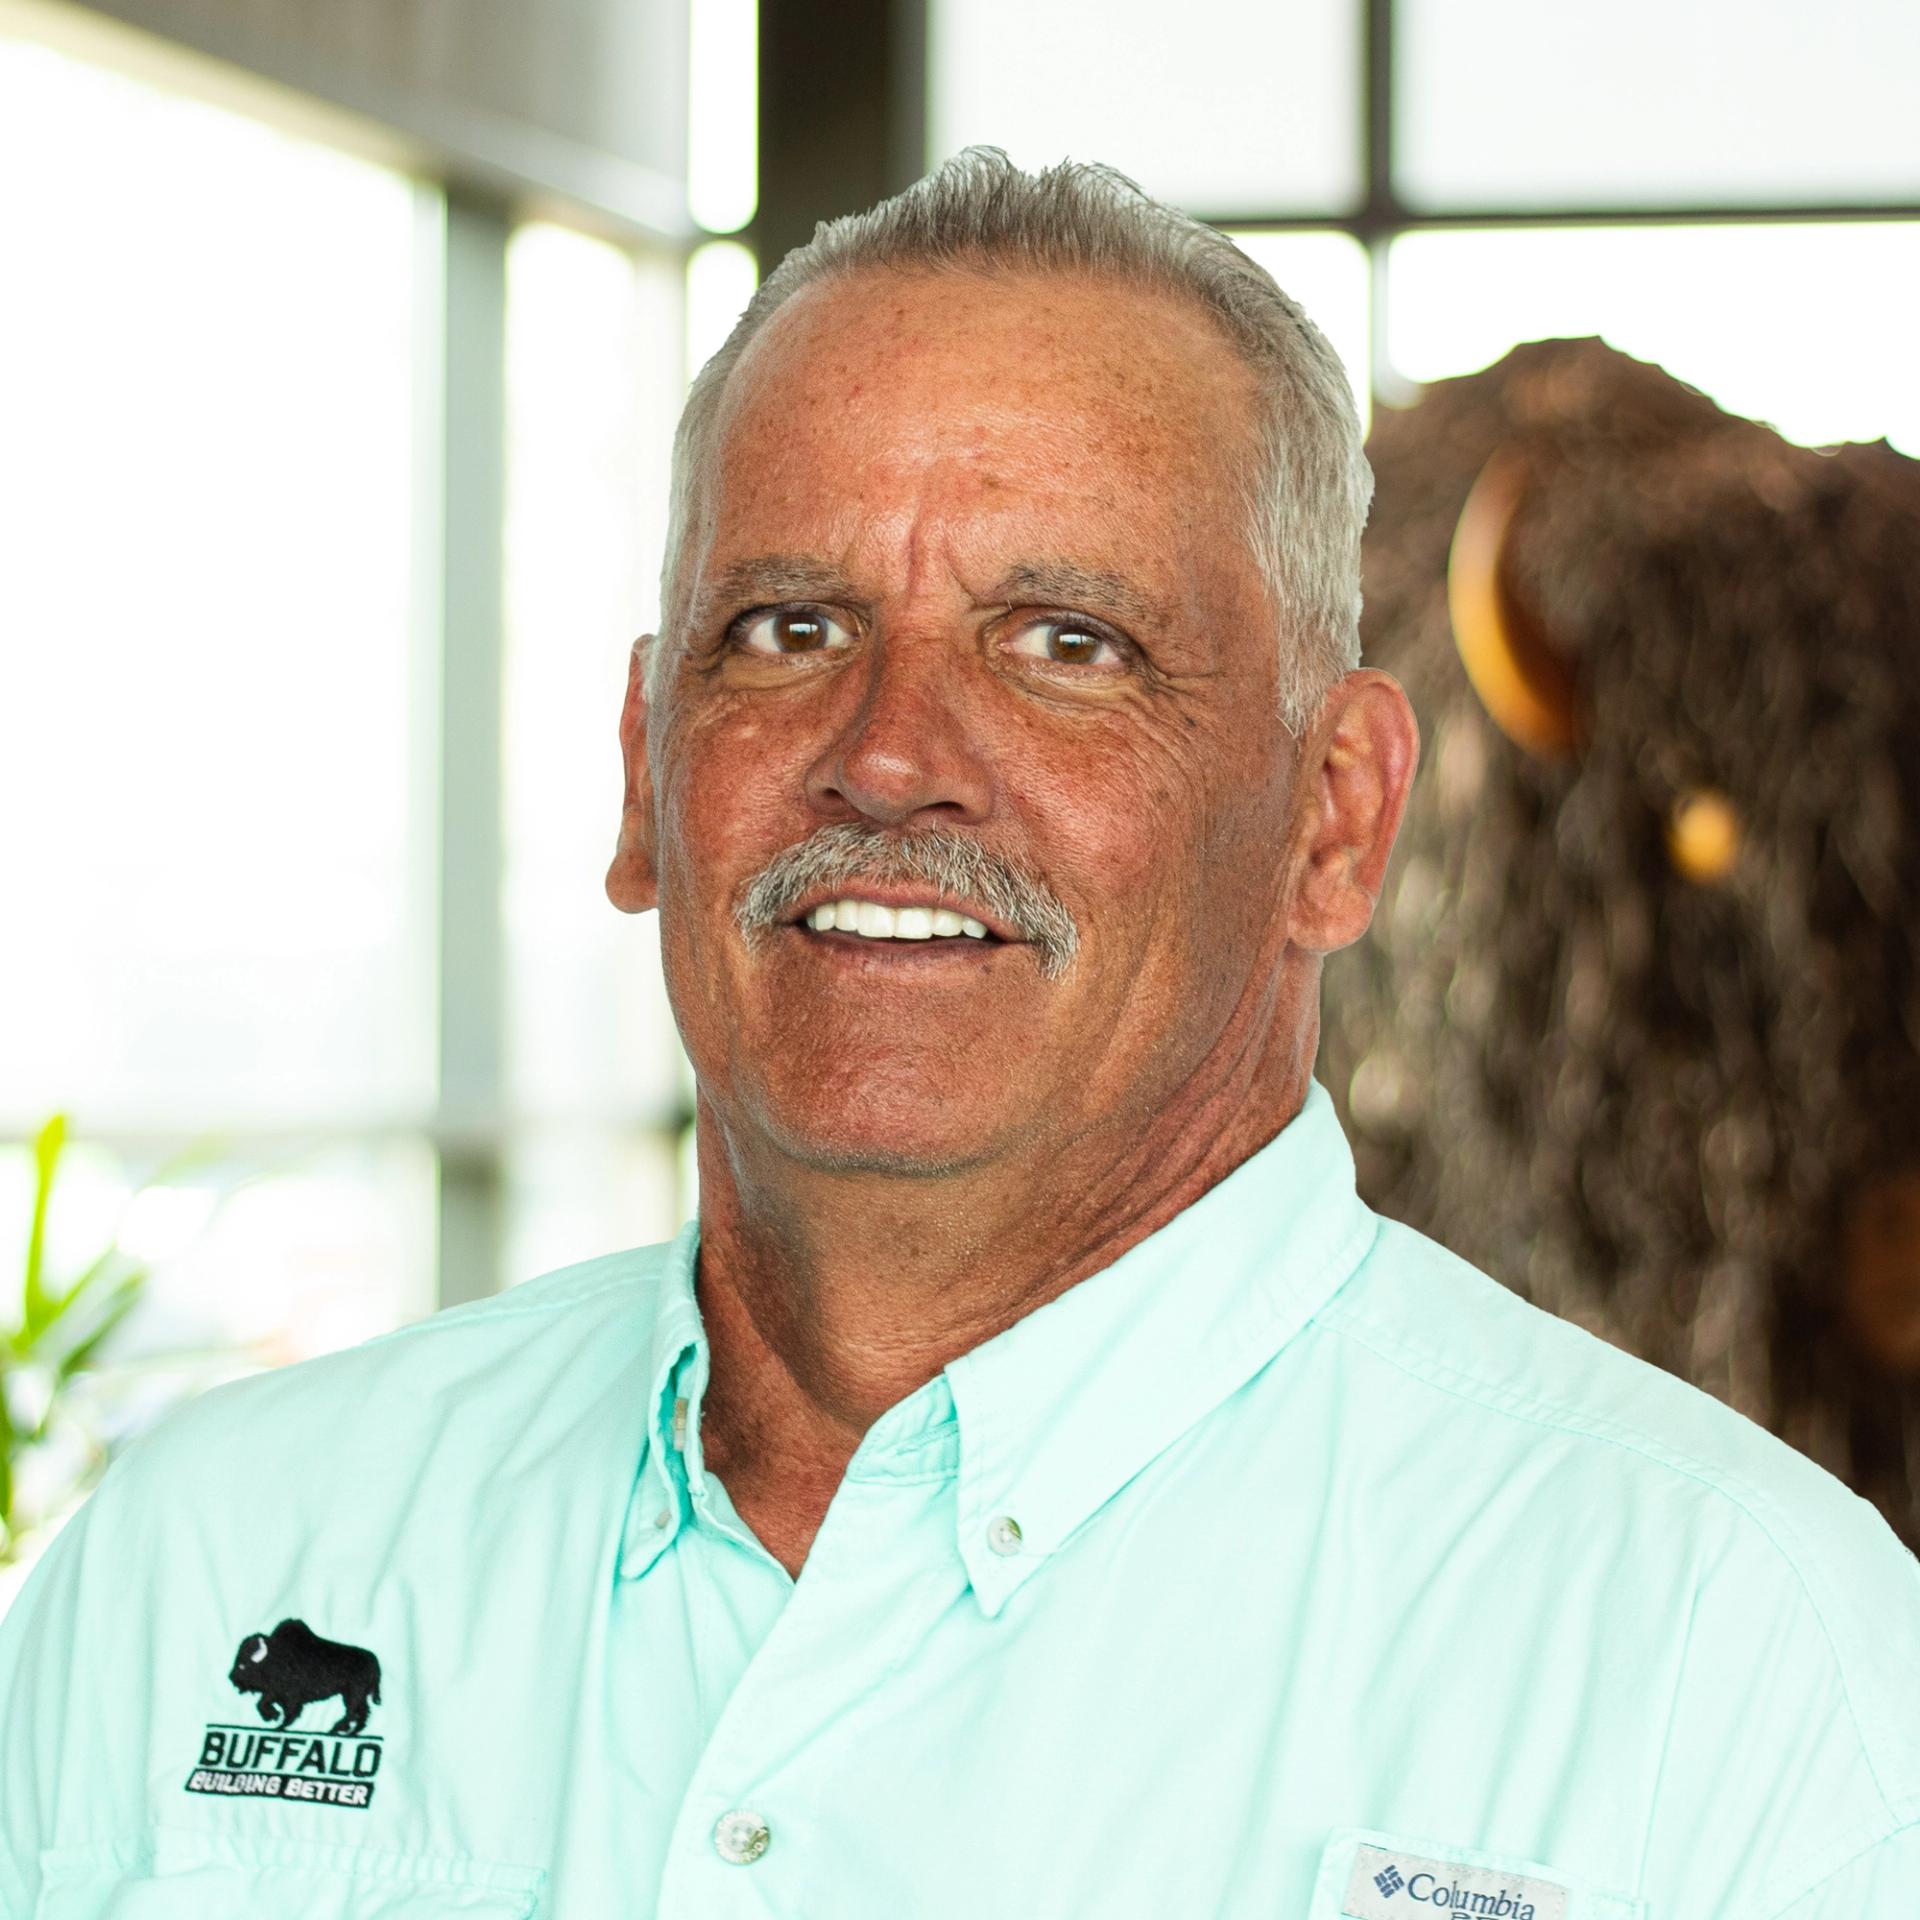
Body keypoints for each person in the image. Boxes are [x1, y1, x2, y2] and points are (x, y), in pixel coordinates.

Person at [2, 151, 1916, 1920]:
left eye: (1067, 642)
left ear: (1333, 818)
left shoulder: (1735, 1671)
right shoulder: (201, 1568)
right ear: (645, 782)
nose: (891, 752)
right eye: (786, 629)